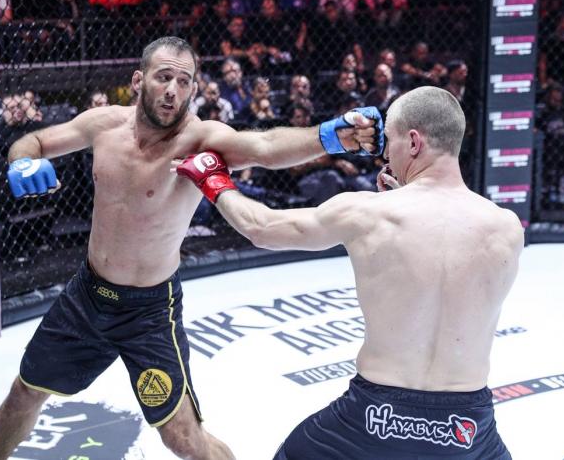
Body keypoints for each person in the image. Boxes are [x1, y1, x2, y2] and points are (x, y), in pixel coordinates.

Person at [0, 36, 382, 460]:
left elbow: (265, 148)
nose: (173, 90)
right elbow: (34, 141)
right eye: (164, 77)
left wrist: (328, 137)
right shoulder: (104, 124)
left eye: (184, 81)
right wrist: (21, 161)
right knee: (24, 393)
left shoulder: (200, 139)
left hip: (149, 311)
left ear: (193, 89)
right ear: (139, 81)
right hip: (88, 296)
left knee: (184, 438)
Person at [175, 86, 523, 459]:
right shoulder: (506, 227)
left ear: (413, 142)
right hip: (466, 429)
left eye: (389, 141)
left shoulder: (368, 214)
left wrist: (213, 179)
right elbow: (441, 238)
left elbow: (262, 228)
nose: (386, 155)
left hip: (373, 419)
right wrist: (403, 194)